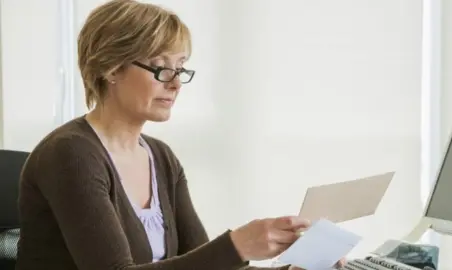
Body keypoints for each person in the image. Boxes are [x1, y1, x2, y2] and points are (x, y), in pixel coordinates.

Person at [15, 1, 345, 269]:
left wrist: (301, 267)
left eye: (181, 68)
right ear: (112, 68)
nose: (175, 83)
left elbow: (204, 264)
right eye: (161, 68)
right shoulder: (69, 154)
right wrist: (237, 245)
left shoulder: (161, 157)